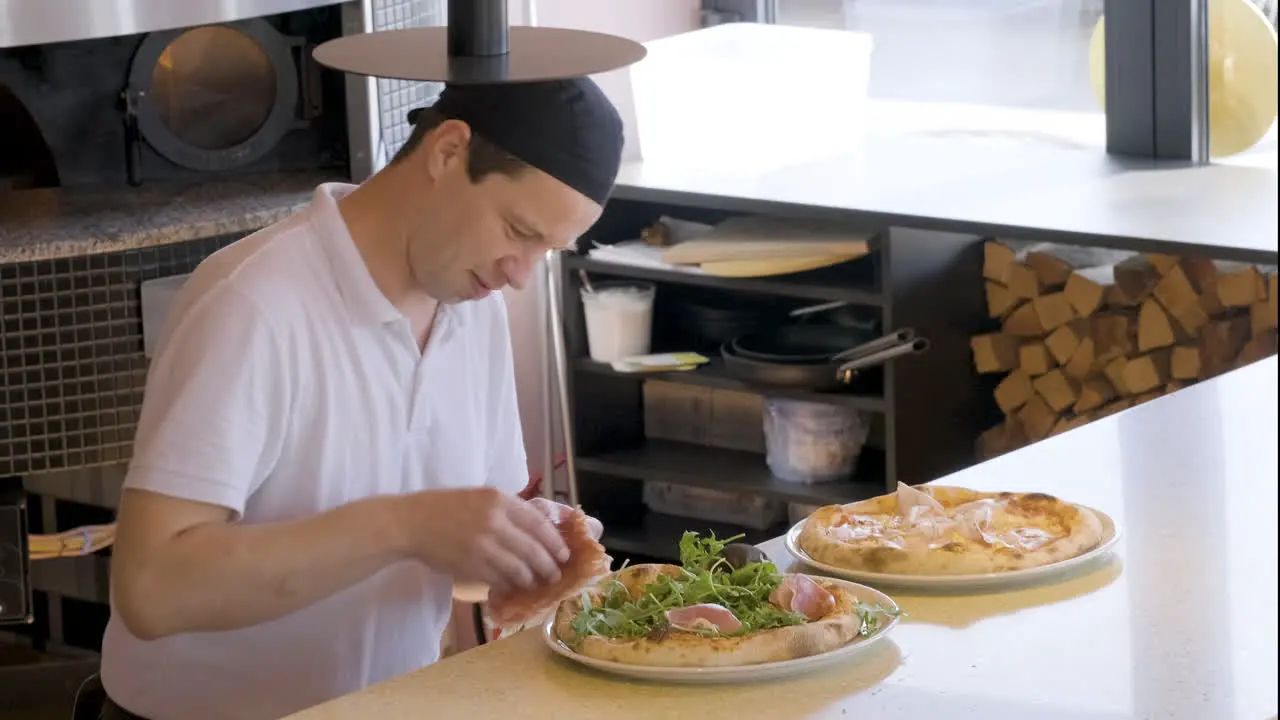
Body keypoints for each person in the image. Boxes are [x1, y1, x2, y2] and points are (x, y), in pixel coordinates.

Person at [96, 77, 623, 720]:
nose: (520, 275)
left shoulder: (470, 301)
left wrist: (514, 547)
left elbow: (452, 569)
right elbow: (152, 591)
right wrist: (407, 524)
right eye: (519, 230)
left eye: (547, 250)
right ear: (447, 152)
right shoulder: (254, 305)